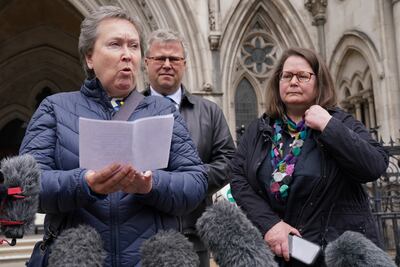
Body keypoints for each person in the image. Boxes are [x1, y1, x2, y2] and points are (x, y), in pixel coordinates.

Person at [19, 6, 207, 267]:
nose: (127, 55)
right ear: (89, 58)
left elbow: (195, 181)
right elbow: (25, 188)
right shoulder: (55, 108)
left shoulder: (163, 110)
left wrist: (151, 185)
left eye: (133, 46)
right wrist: (85, 183)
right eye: (115, 45)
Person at [229, 47, 388, 266]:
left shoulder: (340, 122)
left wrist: (328, 126)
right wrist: (271, 225)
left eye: (303, 76)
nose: (293, 81)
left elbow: (375, 165)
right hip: (280, 252)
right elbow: (238, 177)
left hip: (330, 256)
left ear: (318, 82)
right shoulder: (259, 129)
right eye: (287, 76)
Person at [143, 29, 236, 267]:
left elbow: (229, 162)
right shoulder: (128, 111)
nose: (167, 64)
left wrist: (189, 180)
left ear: (184, 64)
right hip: (141, 236)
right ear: (146, 63)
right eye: (159, 59)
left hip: (193, 238)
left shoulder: (209, 112)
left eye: (174, 59)